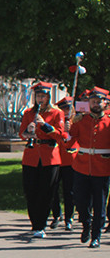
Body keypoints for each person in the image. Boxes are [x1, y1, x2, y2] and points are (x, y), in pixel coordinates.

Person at [18, 82, 65, 239]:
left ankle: (41, 224)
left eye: (43, 96)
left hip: (49, 156)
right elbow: (21, 134)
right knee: (31, 191)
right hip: (31, 156)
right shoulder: (28, 113)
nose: (40, 99)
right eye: (38, 96)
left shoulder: (56, 113)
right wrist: (29, 130)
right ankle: (34, 223)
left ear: (48, 97)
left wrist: (44, 125)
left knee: (46, 191)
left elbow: (60, 135)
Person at [65, 87, 110, 247]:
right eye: (93, 101)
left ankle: (96, 236)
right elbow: (70, 141)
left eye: (99, 102)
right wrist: (68, 129)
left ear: (105, 104)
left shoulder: (109, 122)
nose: (96, 104)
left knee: (99, 204)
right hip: (82, 166)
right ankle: (86, 224)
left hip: (102, 167)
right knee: (80, 200)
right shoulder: (81, 120)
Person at [50, 96, 75, 231]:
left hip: (70, 161)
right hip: (56, 159)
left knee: (69, 191)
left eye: (69, 109)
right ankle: (56, 215)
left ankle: (69, 218)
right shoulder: (56, 122)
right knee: (53, 189)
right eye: (64, 109)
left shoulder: (76, 123)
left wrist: (70, 130)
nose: (67, 112)